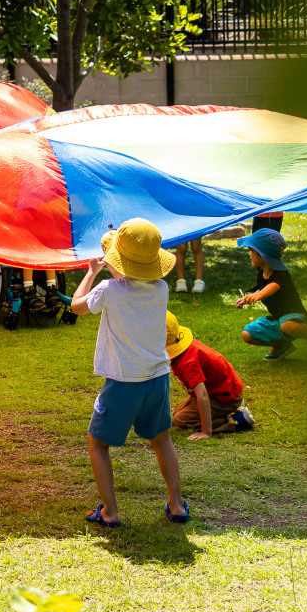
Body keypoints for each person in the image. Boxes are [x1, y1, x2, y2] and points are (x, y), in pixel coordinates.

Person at [70, 218, 189, 526]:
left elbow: (77, 306)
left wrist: (92, 272)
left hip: (124, 383)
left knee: (98, 443)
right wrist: (112, 267)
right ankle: (176, 504)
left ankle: (109, 512)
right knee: (162, 439)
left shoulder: (108, 290)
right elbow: (132, 280)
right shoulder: (161, 288)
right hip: (157, 379)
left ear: (116, 261)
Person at [234, 228, 307, 362]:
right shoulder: (262, 273)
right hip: (278, 320)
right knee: (247, 334)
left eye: (251, 251)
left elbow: (273, 286)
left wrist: (260, 294)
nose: (249, 254)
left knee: (286, 325)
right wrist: (247, 298)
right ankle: (282, 345)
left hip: (296, 318)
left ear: (261, 254)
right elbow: (263, 288)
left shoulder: (281, 275)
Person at [168, 314, 253, 439]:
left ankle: (237, 420)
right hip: (219, 390)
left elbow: (202, 395)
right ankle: (228, 410)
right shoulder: (182, 346)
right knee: (177, 414)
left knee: (182, 420)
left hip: (225, 396)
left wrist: (206, 432)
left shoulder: (187, 363)